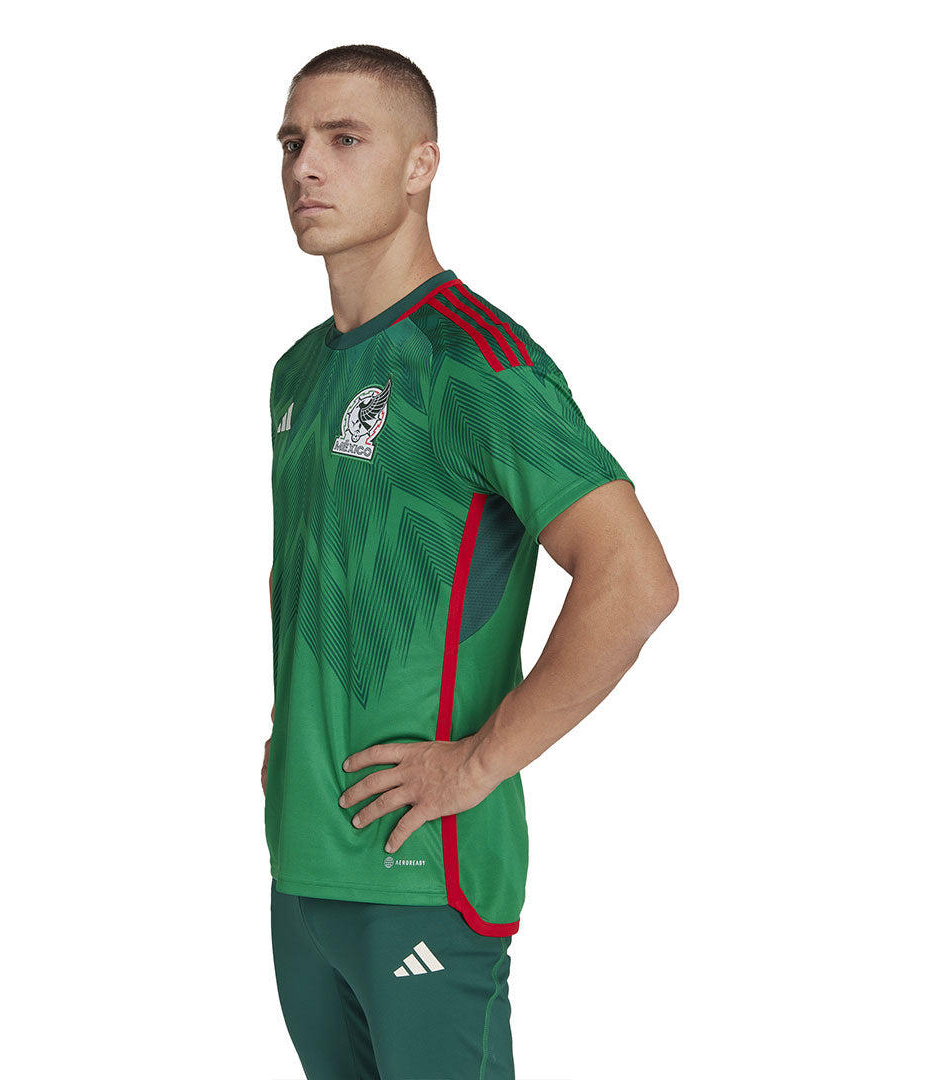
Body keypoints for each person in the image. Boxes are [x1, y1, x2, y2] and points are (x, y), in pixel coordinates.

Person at [262, 43, 678, 1080]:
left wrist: (479, 764)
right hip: (304, 868)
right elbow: (312, 573)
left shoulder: (476, 360)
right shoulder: (299, 374)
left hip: (424, 875)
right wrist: (289, 734)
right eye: (292, 142)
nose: (306, 167)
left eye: (344, 139)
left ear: (422, 164)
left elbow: (634, 579)